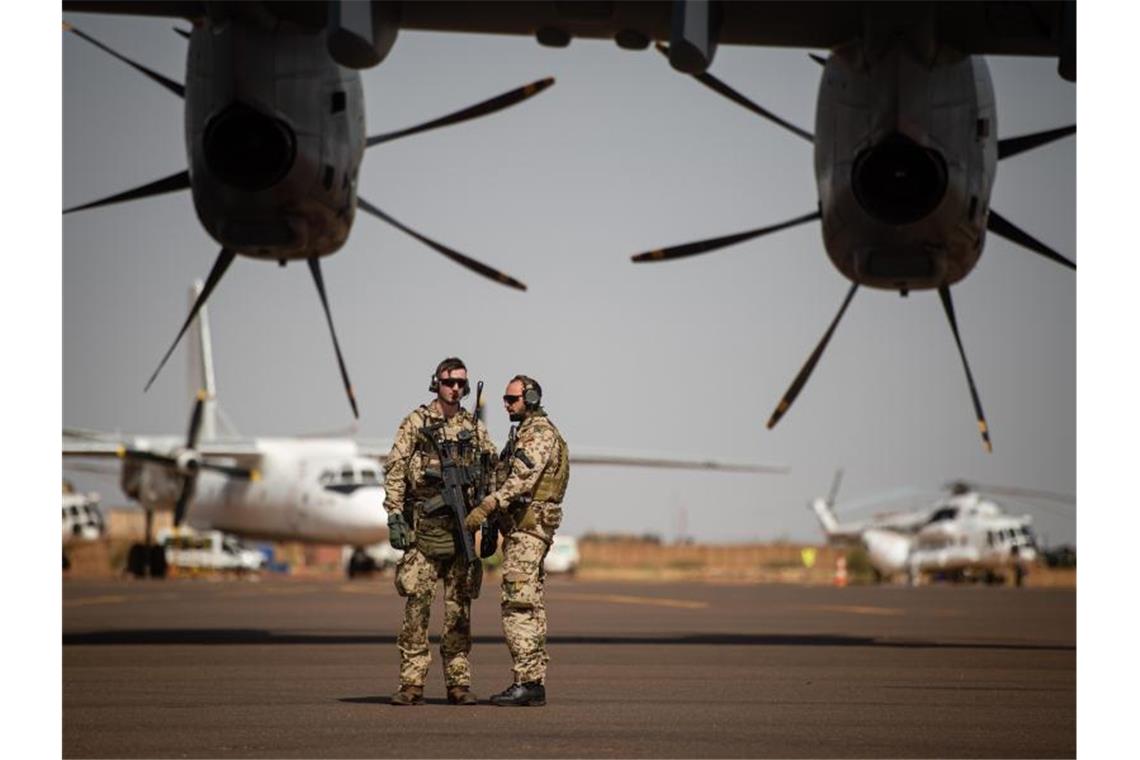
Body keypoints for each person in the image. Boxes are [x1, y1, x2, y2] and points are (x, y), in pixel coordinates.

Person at [384, 357, 496, 706]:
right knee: (416, 611)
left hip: (461, 532)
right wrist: (394, 515)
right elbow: (395, 469)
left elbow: (490, 472)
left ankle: (458, 684)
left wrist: (491, 520)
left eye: (462, 383)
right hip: (425, 530)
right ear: (437, 383)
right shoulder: (416, 422)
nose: (456, 389)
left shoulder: (474, 428)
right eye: (450, 382)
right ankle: (411, 683)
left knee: (459, 613)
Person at [465, 374, 569, 707]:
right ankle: (532, 682)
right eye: (505, 399)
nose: (506, 404)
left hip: (529, 529)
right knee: (530, 604)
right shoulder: (522, 434)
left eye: (512, 399)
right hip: (523, 529)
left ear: (532, 398)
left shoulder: (539, 434)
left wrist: (488, 505)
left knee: (517, 605)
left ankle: (526, 682)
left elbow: (522, 480)